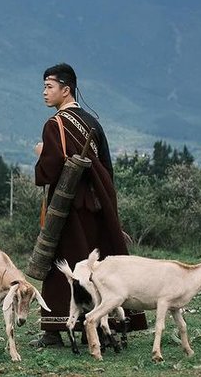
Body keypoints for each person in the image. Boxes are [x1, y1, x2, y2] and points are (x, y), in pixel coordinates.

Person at [31, 63, 145, 347]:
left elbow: (51, 169)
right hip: (97, 204)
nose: (44, 92)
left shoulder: (54, 124)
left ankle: (54, 330)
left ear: (65, 89)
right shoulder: (93, 122)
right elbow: (106, 166)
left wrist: (40, 153)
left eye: (49, 87)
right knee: (98, 265)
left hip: (69, 206)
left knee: (65, 263)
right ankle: (108, 324)